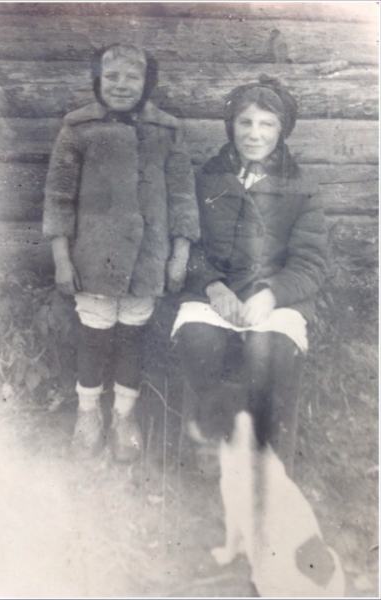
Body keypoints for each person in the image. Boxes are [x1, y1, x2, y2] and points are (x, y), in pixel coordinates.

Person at [43, 43, 199, 462]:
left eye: (133, 77)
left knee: (132, 339)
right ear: (97, 80)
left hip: (148, 258)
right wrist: (62, 258)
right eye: (111, 76)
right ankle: (88, 414)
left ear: (148, 82)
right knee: (94, 338)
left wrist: (179, 254)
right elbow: (59, 198)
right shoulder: (78, 129)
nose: (122, 85)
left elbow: (183, 195)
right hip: (92, 258)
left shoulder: (167, 130)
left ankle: (124, 417)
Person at [173, 74, 328, 476]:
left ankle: (260, 447)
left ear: (282, 130)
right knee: (199, 341)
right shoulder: (207, 179)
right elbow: (188, 243)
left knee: (267, 352)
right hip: (213, 293)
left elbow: (310, 262)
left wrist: (271, 294)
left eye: (266, 124)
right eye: (245, 122)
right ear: (231, 126)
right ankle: (213, 440)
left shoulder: (302, 187)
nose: (254, 134)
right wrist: (212, 285)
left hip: (275, 298)